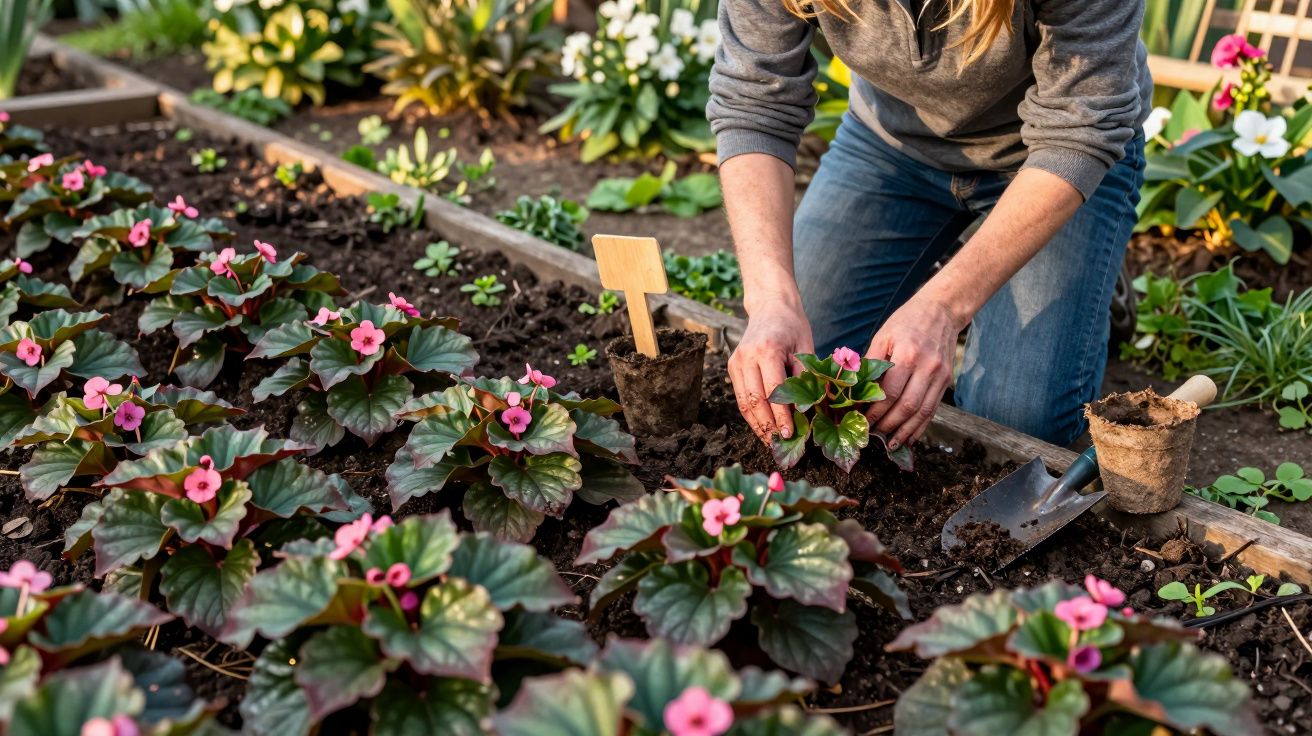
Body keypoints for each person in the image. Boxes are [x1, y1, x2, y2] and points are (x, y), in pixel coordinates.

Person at [708, 0, 1150, 451]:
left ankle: (1090, 272)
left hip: (1054, 158)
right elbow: (753, 103)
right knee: (806, 371)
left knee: (1014, 424)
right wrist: (770, 299)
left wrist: (941, 309)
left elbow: (1080, 127)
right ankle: (979, 259)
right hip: (890, 149)